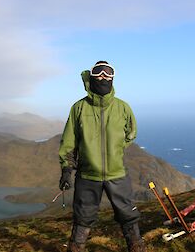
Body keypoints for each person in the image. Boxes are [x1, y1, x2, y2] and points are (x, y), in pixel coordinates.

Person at [59, 61, 145, 252]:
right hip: (88, 176)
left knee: (128, 215)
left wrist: (115, 150)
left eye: (109, 72)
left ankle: (137, 247)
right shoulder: (79, 108)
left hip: (117, 174)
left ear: (113, 78)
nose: (104, 76)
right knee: (82, 218)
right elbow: (68, 142)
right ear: (91, 77)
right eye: (98, 72)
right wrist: (66, 169)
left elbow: (131, 133)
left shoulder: (123, 108)